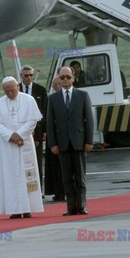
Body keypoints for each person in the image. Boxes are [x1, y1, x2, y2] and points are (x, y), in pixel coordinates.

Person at [0, 77, 44, 219]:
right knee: (9, 176)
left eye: (12, 90)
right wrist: (11, 136)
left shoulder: (29, 100)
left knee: (26, 175)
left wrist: (20, 135)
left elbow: (33, 120)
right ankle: (13, 209)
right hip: (7, 144)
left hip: (25, 142)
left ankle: (28, 208)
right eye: (6, 91)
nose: (10, 93)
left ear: (18, 87)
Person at [47, 66, 94, 216]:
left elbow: (89, 120)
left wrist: (89, 141)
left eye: (68, 77)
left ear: (73, 78)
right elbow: (49, 123)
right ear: (59, 80)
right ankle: (70, 207)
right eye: (62, 77)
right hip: (62, 144)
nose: (65, 80)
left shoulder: (83, 95)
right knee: (66, 178)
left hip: (79, 142)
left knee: (80, 177)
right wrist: (52, 143)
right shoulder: (53, 99)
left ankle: (81, 206)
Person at [19, 65, 47, 189]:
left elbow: (44, 111)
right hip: (20, 132)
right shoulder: (16, 89)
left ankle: (37, 189)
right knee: (22, 162)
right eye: (26, 75)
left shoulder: (40, 90)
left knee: (36, 161)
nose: (29, 77)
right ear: (21, 76)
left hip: (37, 132)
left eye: (31, 75)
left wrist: (44, 131)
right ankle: (23, 188)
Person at [44, 75, 65, 202]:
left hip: (66, 137)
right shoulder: (51, 99)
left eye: (57, 84)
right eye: (53, 85)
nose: (55, 86)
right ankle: (58, 192)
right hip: (55, 138)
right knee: (55, 168)